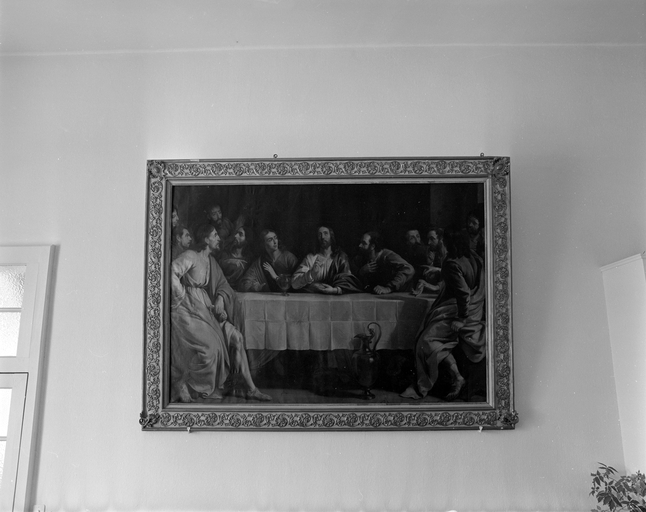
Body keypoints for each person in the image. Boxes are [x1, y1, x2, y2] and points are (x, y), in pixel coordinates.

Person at [170, 224, 271, 402]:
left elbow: (223, 285)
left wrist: (220, 299)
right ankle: (189, 384)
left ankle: (252, 389)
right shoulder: (191, 256)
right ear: (206, 238)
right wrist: (182, 296)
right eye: (215, 235)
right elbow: (171, 272)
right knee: (211, 348)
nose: (219, 238)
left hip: (207, 309)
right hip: (189, 310)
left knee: (237, 338)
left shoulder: (211, 262)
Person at [401, 228, 486, 401]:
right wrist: (441, 273)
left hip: (460, 312)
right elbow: (467, 279)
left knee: (424, 341)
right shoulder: (474, 257)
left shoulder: (450, 263)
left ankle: (457, 377)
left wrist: (461, 319)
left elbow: (463, 292)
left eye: (443, 240)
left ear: (447, 243)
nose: (440, 243)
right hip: (475, 310)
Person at [291, 226, 361, 294]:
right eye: (319, 234)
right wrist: (311, 274)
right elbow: (294, 283)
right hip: (314, 298)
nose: (322, 237)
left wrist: (335, 290)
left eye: (325, 233)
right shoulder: (310, 258)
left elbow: (348, 281)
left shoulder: (341, 257)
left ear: (331, 236)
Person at [411, 226, 447, 296]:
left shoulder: (449, 254)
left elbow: (452, 273)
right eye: (428, 239)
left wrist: (437, 270)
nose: (429, 242)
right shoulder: (431, 252)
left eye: (432, 239)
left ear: (441, 239)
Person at [218, 225, 253, 290]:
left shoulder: (248, 259)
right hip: (223, 288)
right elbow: (217, 268)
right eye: (236, 233)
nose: (235, 236)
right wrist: (229, 261)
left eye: (240, 234)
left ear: (246, 240)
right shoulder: (226, 253)